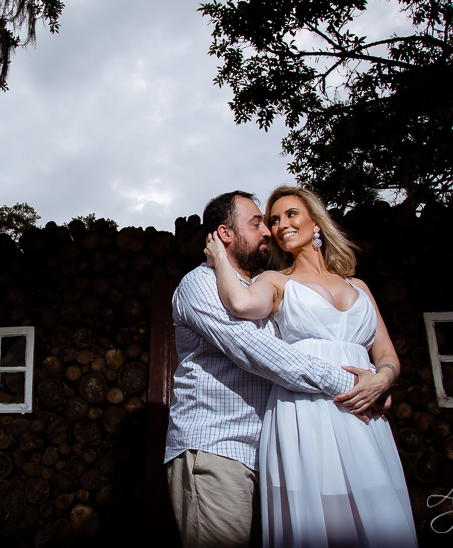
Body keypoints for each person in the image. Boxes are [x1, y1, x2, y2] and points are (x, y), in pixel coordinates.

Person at [165, 191, 387, 548]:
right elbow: (256, 351)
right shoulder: (201, 284)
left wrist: (381, 377)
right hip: (219, 448)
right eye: (257, 224)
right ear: (225, 234)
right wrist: (354, 385)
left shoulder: (264, 288)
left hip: (275, 451)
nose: (269, 231)